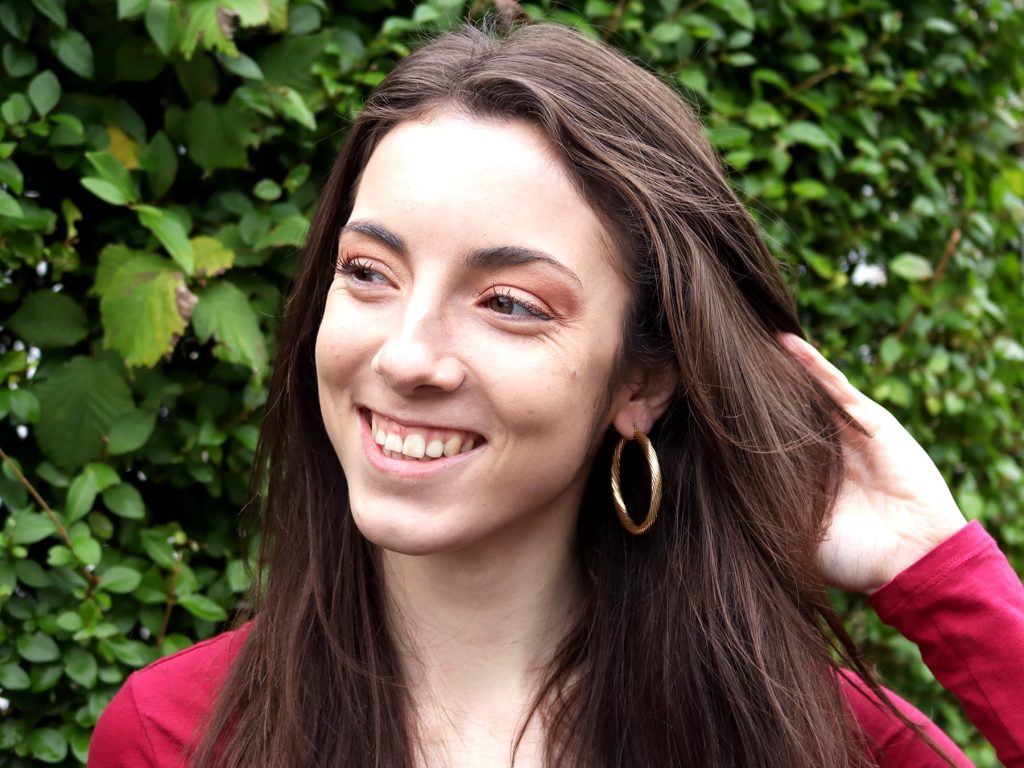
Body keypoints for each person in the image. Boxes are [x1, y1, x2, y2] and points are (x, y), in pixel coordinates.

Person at [87, 14, 1024, 768]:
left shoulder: (805, 736)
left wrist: (938, 570)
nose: (409, 356)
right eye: (370, 273)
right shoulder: (178, 736)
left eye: (508, 302)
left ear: (641, 381)